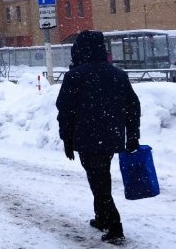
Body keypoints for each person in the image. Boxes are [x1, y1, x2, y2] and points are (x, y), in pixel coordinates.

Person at [56, 30, 141, 244]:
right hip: (111, 137)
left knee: (99, 182)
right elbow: (133, 106)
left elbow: (65, 110)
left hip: (87, 138)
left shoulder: (75, 76)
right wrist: (132, 135)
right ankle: (102, 217)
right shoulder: (117, 74)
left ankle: (114, 225)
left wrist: (66, 139)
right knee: (100, 176)